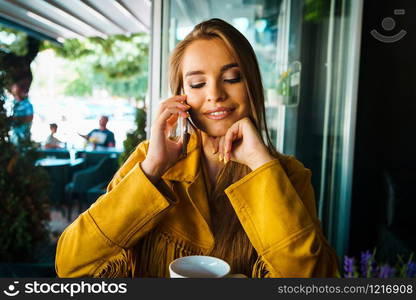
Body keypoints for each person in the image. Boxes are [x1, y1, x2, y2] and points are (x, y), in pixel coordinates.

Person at [56, 19, 340, 278]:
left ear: (251, 85)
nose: (215, 94)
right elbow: (70, 264)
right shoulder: (148, 162)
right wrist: (153, 168)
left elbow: (312, 279)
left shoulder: (287, 175)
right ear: (181, 95)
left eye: (232, 78)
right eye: (197, 83)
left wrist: (260, 165)